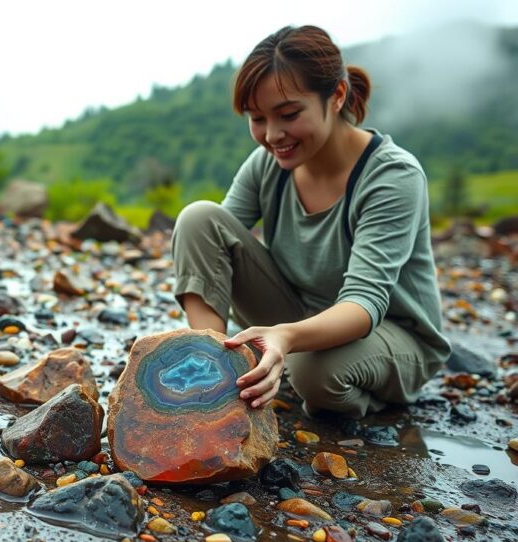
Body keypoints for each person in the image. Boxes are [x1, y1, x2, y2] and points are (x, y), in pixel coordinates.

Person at [170, 25, 450, 419]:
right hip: (301, 316)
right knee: (198, 217)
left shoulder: (392, 176)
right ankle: (210, 364)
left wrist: (285, 336)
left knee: (315, 373)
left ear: (336, 96)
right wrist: (228, 348)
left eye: (288, 114)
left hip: (391, 332)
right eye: (257, 119)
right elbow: (212, 246)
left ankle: (373, 400)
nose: (272, 135)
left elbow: (364, 303)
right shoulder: (270, 162)